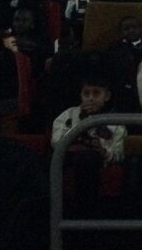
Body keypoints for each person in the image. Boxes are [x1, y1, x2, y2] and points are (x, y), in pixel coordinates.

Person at [51, 75, 127, 216]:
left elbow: (120, 153)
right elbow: (56, 142)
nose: (90, 98)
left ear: (107, 96)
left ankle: (85, 213)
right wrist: (79, 128)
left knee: (87, 158)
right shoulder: (68, 115)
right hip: (67, 156)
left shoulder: (115, 122)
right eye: (86, 94)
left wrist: (103, 151)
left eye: (96, 93)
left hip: (95, 160)